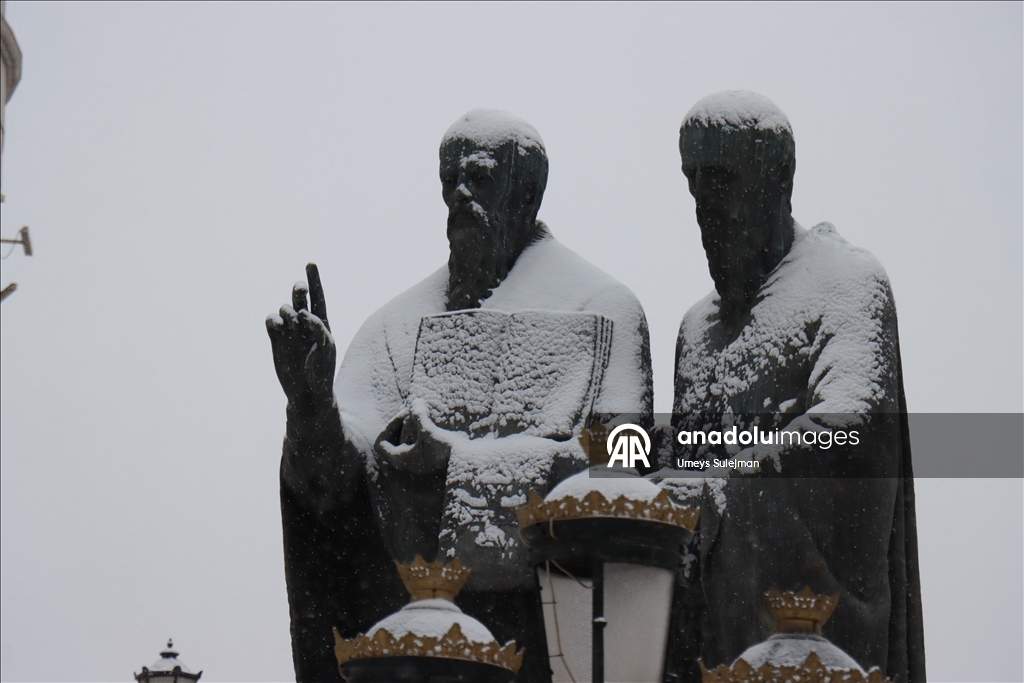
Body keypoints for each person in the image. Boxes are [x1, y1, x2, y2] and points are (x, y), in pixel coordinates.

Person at [267, 109, 652, 682]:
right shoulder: (393, 327)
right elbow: (336, 490)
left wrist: (457, 467)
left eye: (480, 177)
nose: (459, 195)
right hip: (409, 650)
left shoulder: (603, 308)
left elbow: (626, 472)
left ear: (527, 192)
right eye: (449, 180)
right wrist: (312, 407)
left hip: (544, 646)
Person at [665, 91, 924, 683]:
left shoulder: (846, 282)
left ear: (777, 178)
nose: (705, 203)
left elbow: (849, 427)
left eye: (723, 179)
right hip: (717, 640)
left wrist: (726, 481)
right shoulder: (698, 331)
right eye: (694, 181)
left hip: (820, 635)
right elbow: (686, 455)